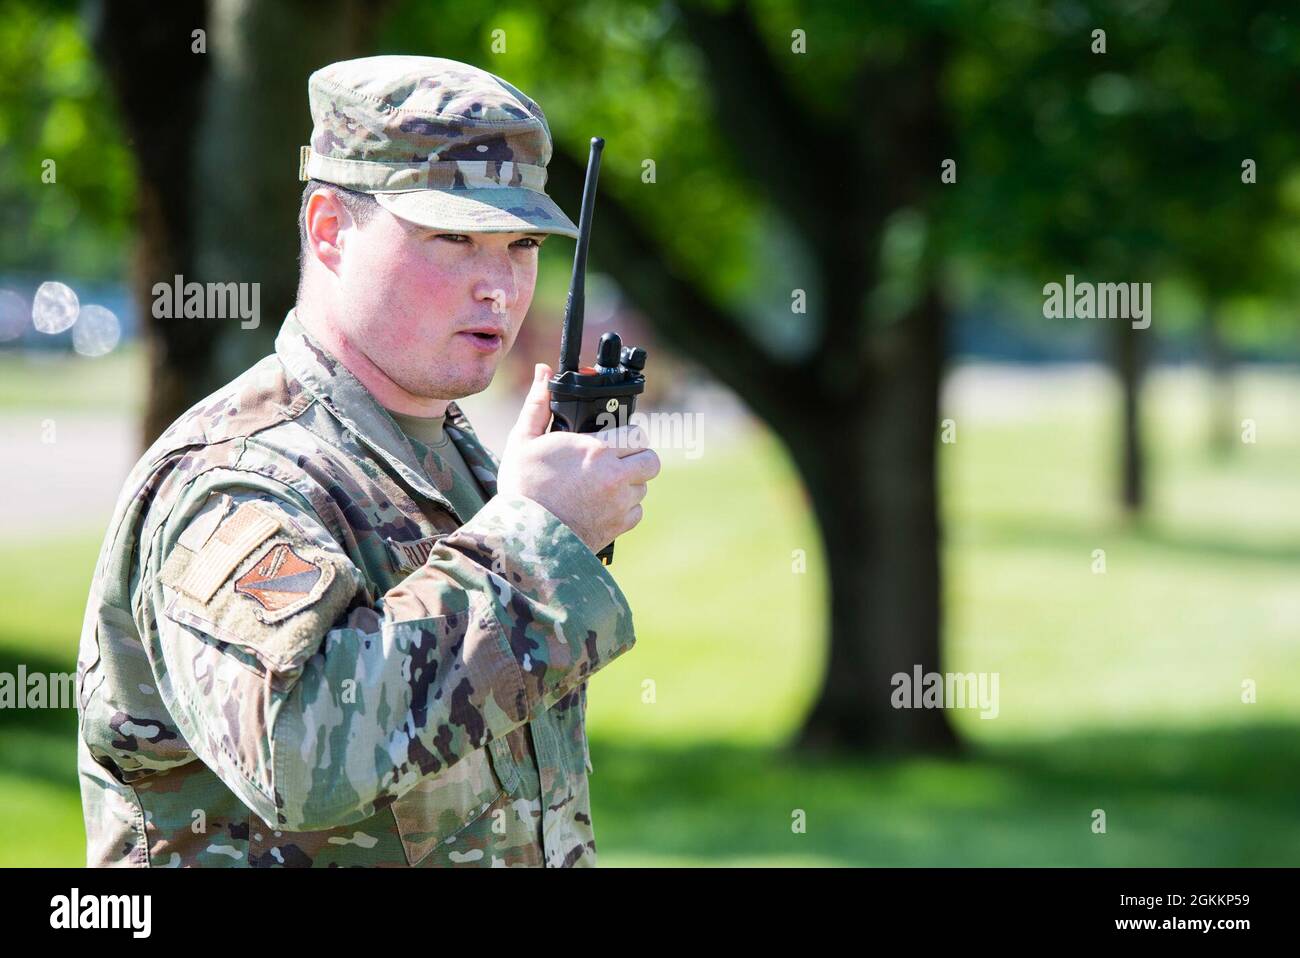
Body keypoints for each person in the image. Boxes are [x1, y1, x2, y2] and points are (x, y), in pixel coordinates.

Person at [75, 54, 660, 867]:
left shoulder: (459, 464)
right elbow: (300, 753)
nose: (499, 284)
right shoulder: (240, 478)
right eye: (453, 237)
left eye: (521, 243)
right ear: (328, 229)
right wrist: (530, 542)